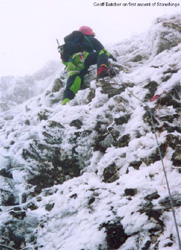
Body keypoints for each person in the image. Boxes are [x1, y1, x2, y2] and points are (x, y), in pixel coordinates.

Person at [61, 26, 117, 105]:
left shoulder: (71, 43)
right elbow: (102, 50)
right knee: (102, 54)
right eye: (91, 31)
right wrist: (113, 58)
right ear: (88, 32)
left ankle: (65, 101)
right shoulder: (88, 38)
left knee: (73, 81)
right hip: (84, 58)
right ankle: (101, 71)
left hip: (72, 63)